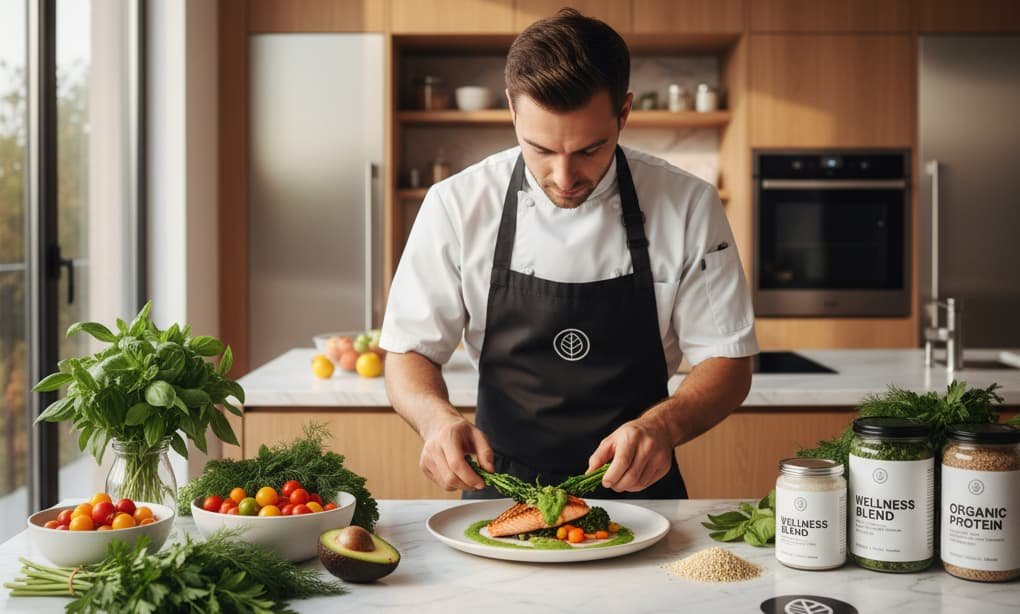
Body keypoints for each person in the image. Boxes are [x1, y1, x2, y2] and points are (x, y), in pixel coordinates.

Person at [380, 9, 758, 499]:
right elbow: (409, 350)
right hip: (498, 491)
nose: (563, 176)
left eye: (588, 150)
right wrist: (435, 419)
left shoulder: (687, 204)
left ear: (623, 114)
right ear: (512, 109)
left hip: (641, 494)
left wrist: (663, 427)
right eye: (539, 149)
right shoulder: (456, 204)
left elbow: (727, 362)